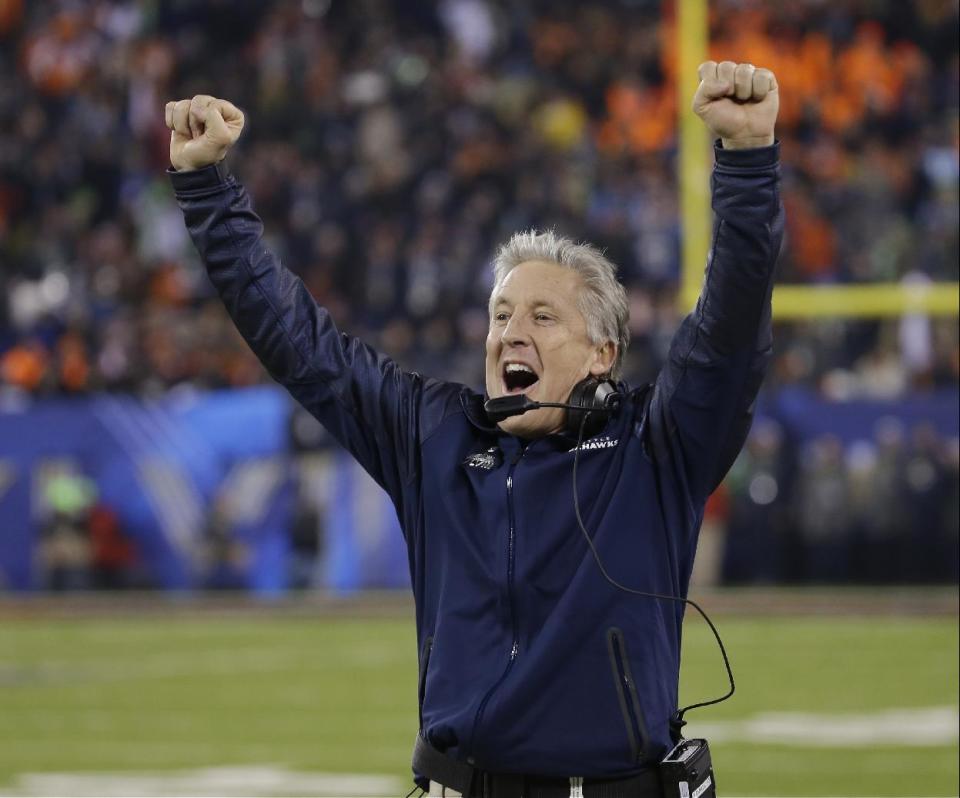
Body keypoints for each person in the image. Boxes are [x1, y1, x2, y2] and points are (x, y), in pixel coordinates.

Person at [165, 59, 783, 796]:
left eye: (542, 316)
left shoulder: (655, 445)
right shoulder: (435, 435)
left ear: (603, 353)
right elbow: (298, 341)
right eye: (499, 315)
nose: (509, 333)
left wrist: (746, 163)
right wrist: (206, 187)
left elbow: (730, 329)